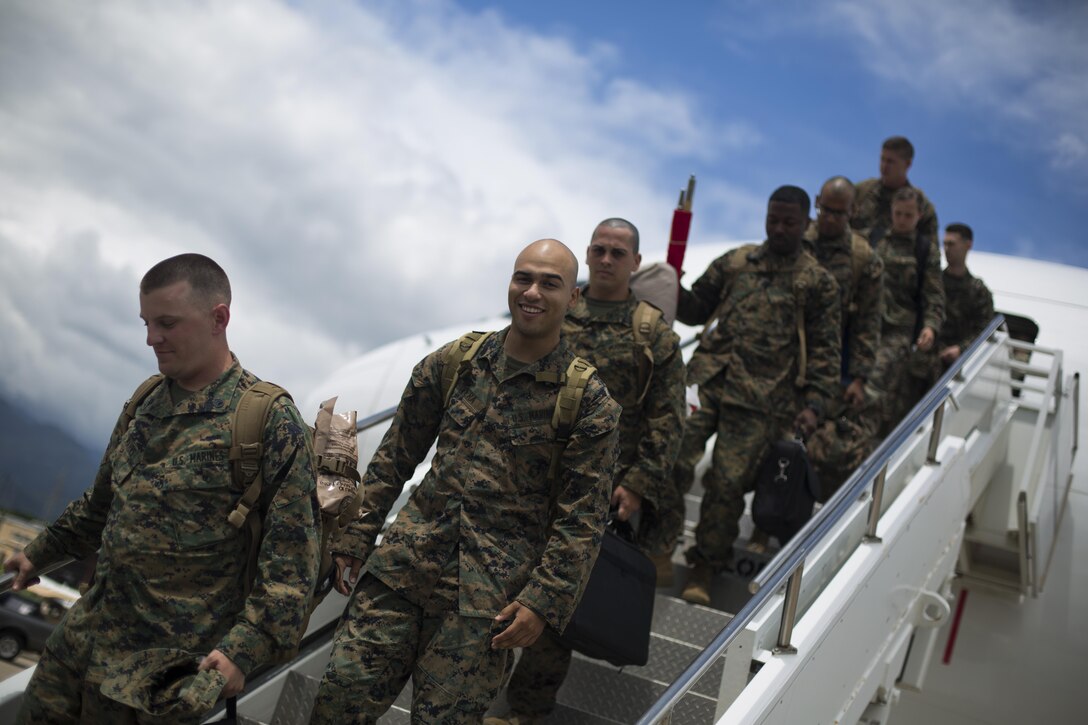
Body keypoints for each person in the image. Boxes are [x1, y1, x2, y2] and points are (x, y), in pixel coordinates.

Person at [308, 239, 621, 724]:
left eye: (550, 283)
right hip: (399, 574)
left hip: (485, 605)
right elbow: (394, 457)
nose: (532, 292)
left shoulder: (587, 402)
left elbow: (581, 523)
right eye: (524, 278)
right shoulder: (457, 360)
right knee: (337, 706)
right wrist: (356, 534)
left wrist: (541, 602)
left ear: (573, 299)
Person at [4, 253, 320, 724]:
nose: (152, 339)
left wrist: (241, 652)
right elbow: (100, 507)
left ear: (219, 318)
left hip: (159, 683)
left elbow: (291, 571)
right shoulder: (145, 402)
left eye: (167, 323)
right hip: (78, 655)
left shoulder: (267, 421)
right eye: (147, 323)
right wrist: (39, 553)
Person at [489, 220, 685, 725]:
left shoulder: (652, 334)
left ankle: (524, 712)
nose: (605, 259)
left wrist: (638, 484)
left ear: (635, 263)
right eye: (598, 249)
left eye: (617, 252)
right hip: (526, 475)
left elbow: (669, 418)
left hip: (598, 490)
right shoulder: (555, 307)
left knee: (555, 604)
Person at [667, 186, 841, 606]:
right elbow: (692, 310)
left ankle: (704, 567)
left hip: (763, 399)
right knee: (670, 455)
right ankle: (656, 543)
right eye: (773, 220)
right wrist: (668, 279)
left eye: (789, 222)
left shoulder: (816, 282)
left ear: (805, 224)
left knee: (727, 484)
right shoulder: (738, 261)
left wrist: (815, 405)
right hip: (707, 378)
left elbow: (825, 352)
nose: (779, 229)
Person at [801, 177, 885, 502]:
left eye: (840, 212)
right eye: (826, 210)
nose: (831, 218)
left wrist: (859, 377)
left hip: (829, 367)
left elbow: (868, 322)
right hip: (783, 356)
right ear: (816, 202)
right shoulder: (798, 239)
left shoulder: (864, 259)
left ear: (854, 211)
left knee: (814, 447)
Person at [869, 188, 945, 436]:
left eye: (908, 215)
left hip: (898, 330)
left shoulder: (925, 251)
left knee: (877, 379)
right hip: (866, 325)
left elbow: (934, 294)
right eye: (897, 213)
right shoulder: (874, 240)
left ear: (919, 216)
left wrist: (930, 327)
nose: (901, 219)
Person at [852, 136, 939, 244]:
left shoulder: (921, 206)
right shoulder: (862, 191)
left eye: (890, 161)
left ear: (907, 164)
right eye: (882, 159)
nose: (884, 166)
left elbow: (930, 251)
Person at [938, 222, 994, 367]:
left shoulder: (978, 291)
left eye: (952, 244)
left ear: (968, 245)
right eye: (944, 244)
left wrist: (961, 349)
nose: (946, 249)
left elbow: (985, 330)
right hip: (926, 360)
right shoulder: (933, 282)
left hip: (958, 366)